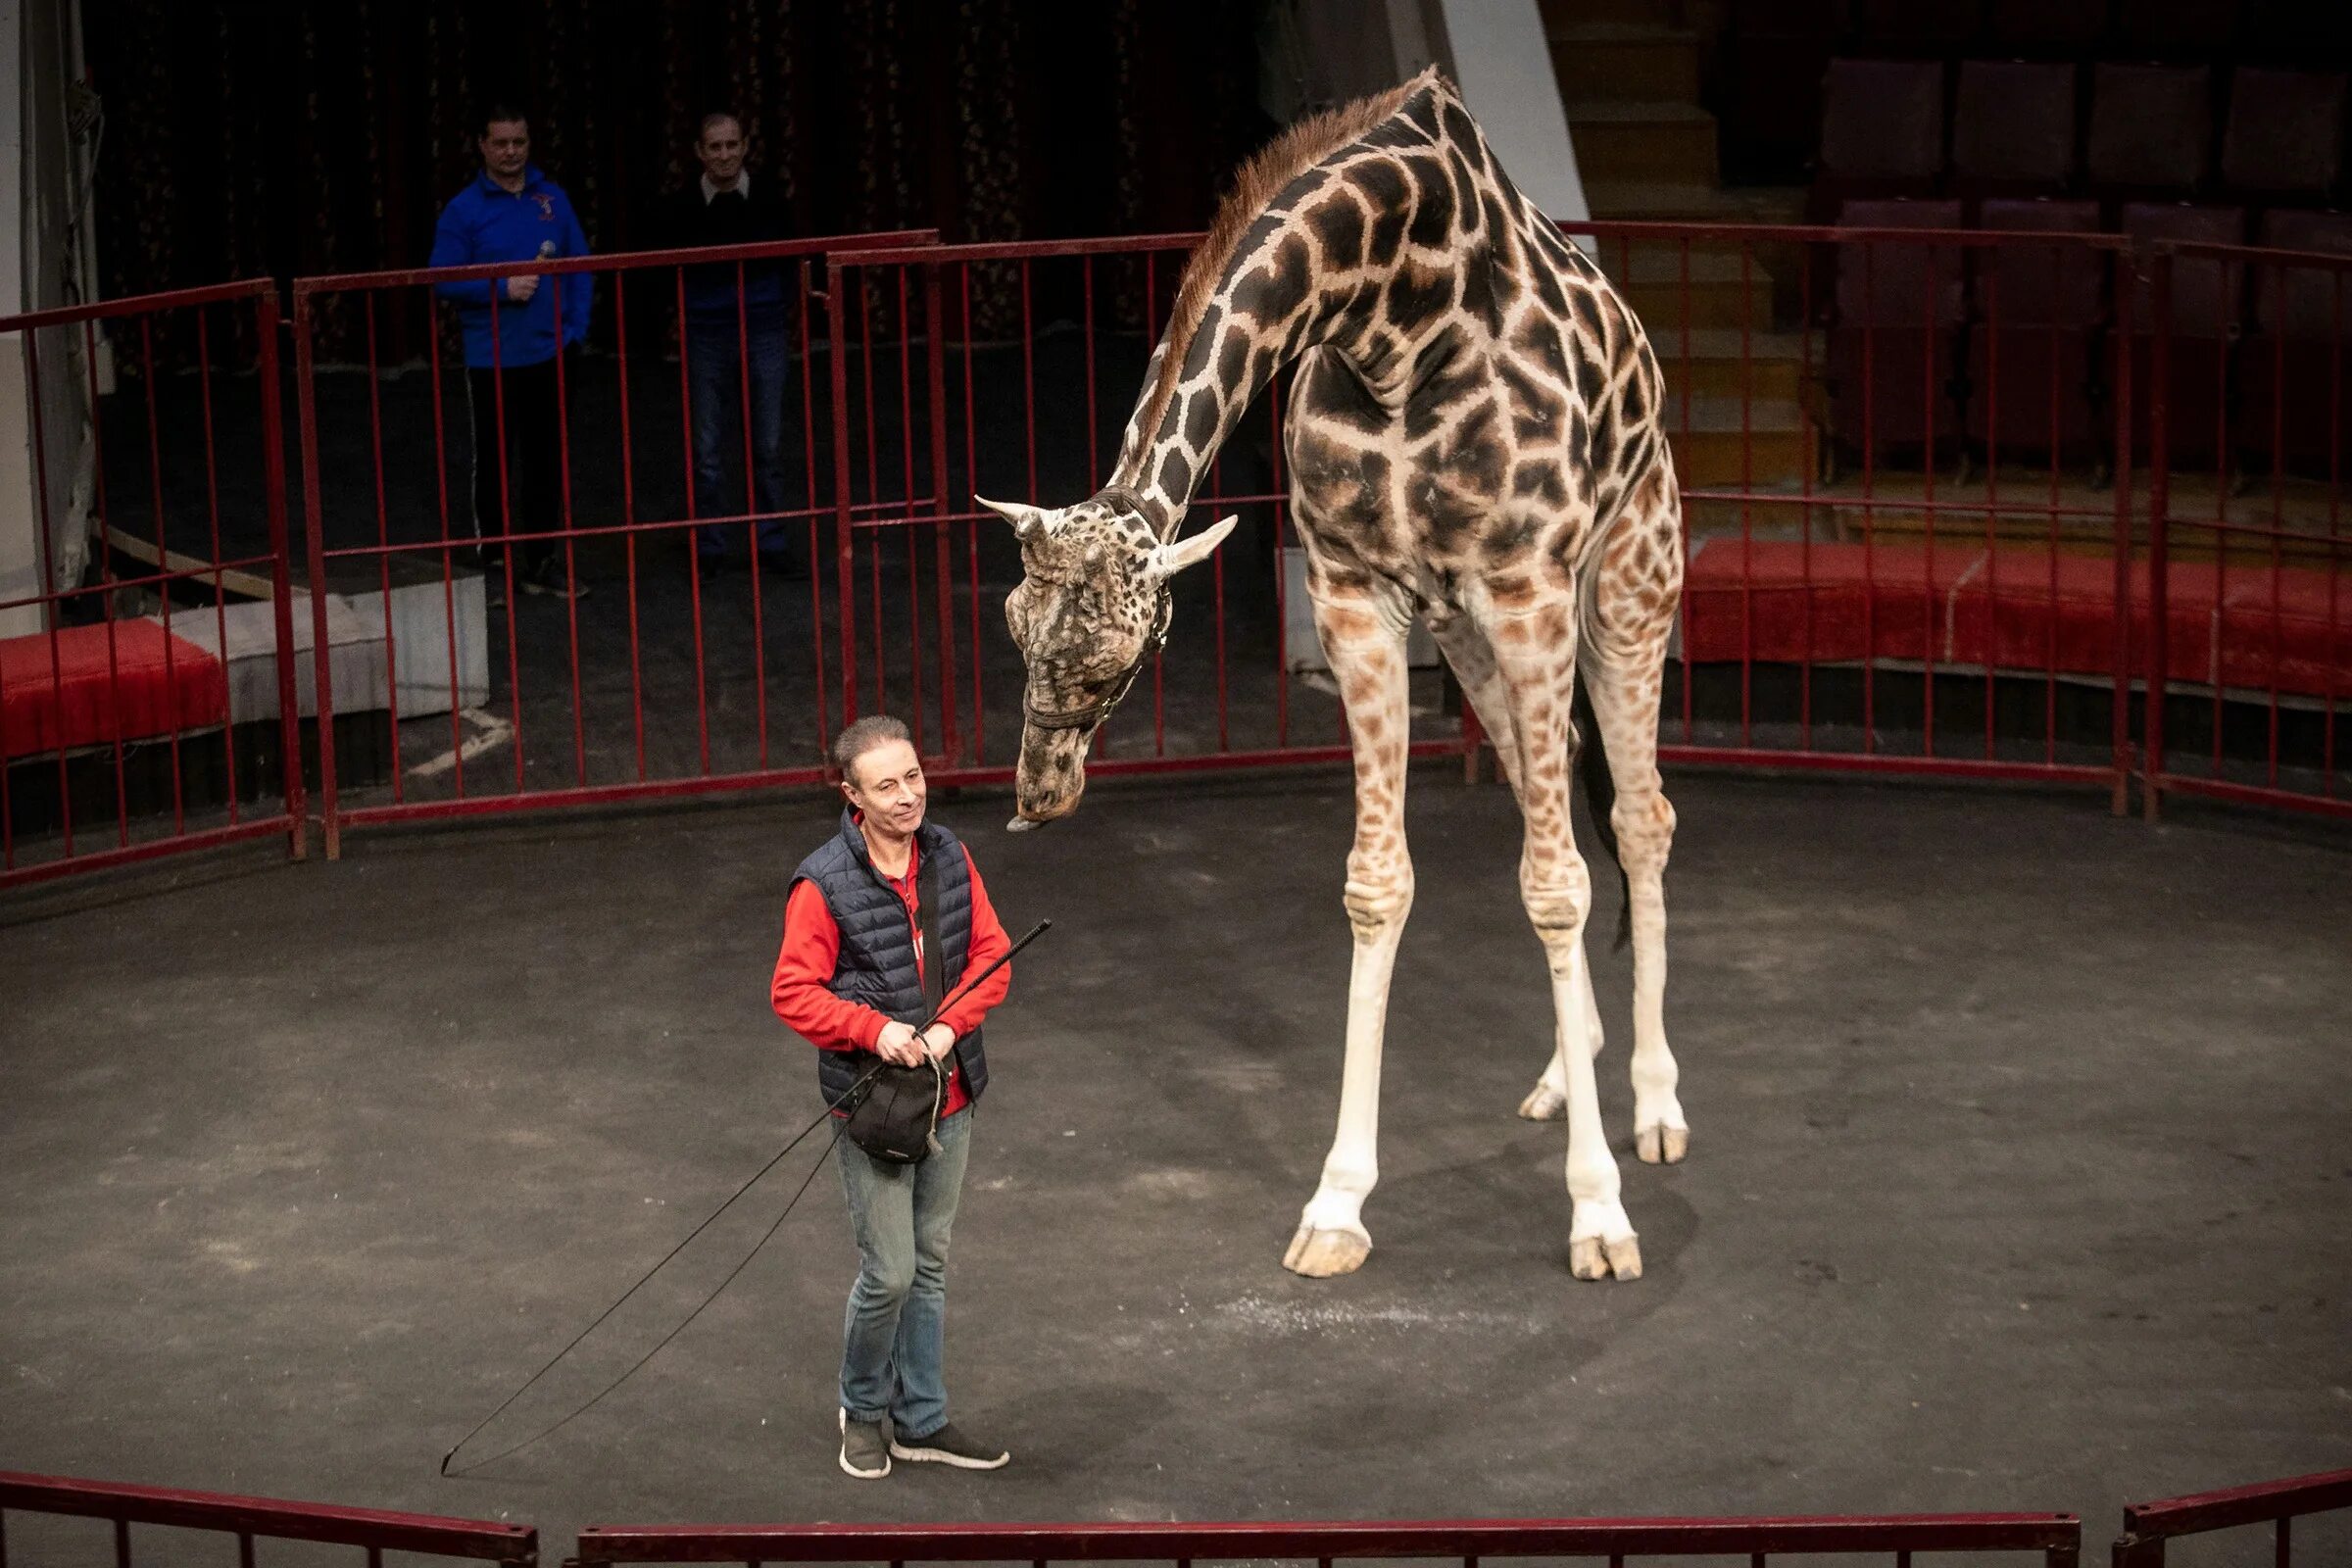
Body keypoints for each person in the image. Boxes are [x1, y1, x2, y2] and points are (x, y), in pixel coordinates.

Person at [770, 715, 1013, 1480]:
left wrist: (947, 1031)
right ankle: (861, 1408)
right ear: (851, 795)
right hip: (874, 1105)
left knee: (931, 1262)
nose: (909, 796)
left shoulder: (948, 853)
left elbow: (991, 955)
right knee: (891, 1273)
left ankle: (923, 1418)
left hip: (950, 1090)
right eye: (887, 785)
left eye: (913, 776)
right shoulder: (822, 884)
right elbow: (792, 992)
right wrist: (874, 1032)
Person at [429, 104, 593, 604]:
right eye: (500, 143)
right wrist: (501, 286)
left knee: (545, 459)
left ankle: (542, 560)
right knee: (495, 460)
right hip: (491, 357)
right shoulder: (463, 209)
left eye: (518, 142)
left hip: (549, 353)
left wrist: (575, 332)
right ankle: (494, 561)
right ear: (482, 145)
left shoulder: (552, 198)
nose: (510, 152)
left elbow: (582, 265)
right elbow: (441, 279)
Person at [661, 112, 799, 573]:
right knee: (707, 449)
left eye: (731, 145)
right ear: (700, 152)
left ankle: (772, 543)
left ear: (744, 147)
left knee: (769, 445)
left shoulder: (770, 200)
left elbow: (790, 261)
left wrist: (779, 309)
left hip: (763, 327)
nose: (723, 155)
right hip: (706, 332)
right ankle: (710, 548)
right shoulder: (680, 207)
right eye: (714, 147)